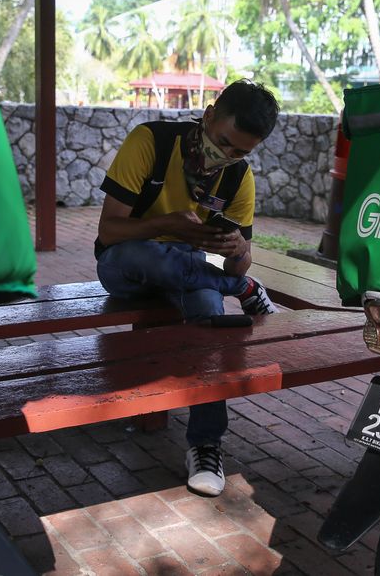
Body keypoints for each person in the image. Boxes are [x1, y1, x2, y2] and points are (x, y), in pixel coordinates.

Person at [95, 79, 280, 496]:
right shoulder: (152, 142)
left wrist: (236, 255)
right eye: (224, 142)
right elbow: (109, 231)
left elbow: (242, 250)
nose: (228, 156)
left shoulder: (237, 178)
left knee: (210, 319)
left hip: (186, 270)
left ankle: (206, 445)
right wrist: (166, 224)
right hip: (124, 263)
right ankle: (241, 288)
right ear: (209, 114)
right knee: (147, 256)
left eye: (241, 152)